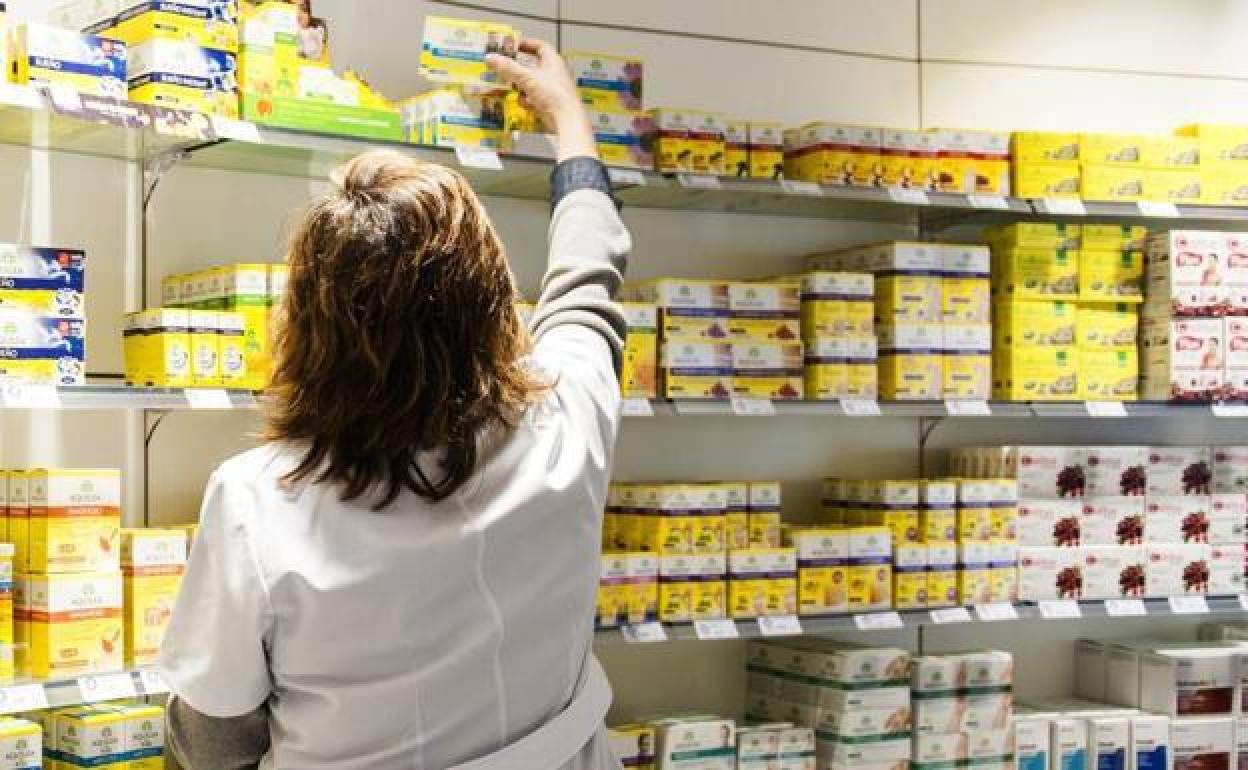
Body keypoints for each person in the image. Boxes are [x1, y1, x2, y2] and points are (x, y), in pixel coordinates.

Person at [158, 37, 631, 770]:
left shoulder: (260, 500)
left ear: (309, 323)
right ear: (491, 301)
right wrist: (569, 118)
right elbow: (589, 278)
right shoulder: (564, 422)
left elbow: (214, 741)